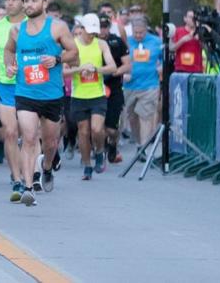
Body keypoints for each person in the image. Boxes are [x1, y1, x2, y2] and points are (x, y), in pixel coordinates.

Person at [4, 0, 77, 206]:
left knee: (50, 141)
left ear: (44, 4)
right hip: (25, 92)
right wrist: (9, 66)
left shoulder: (57, 28)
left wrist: (56, 60)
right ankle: (28, 187)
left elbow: (74, 53)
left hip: (52, 94)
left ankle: (46, 168)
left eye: (34, 0)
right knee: (28, 137)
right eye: (26, 1)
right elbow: (8, 50)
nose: (29, 5)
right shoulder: (17, 30)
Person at [65, 15, 118, 180]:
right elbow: (63, 71)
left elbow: (113, 67)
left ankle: (100, 151)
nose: (92, 35)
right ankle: (87, 165)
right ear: (82, 28)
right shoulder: (72, 45)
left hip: (97, 94)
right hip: (79, 95)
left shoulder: (101, 44)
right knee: (83, 131)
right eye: (89, 32)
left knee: (96, 129)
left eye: (95, 32)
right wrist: (79, 70)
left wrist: (96, 69)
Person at [0, 0, 27, 201]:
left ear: (23, 2)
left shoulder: (32, 27)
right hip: (6, 85)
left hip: (29, 86)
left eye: (14, 0)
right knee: (10, 132)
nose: (9, 3)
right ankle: (17, 178)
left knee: (28, 134)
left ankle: (34, 171)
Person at [119, 15, 163, 156]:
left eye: (141, 33)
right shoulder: (126, 42)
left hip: (150, 85)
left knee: (145, 116)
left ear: (146, 30)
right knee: (132, 117)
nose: (138, 35)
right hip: (130, 86)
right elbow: (119, 61)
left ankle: (143, 147)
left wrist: (161, 68)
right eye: (135, 32)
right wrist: (123, 73)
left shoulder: (156, 42)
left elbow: (164, 59)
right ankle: (139, 143)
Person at [96, 14, 131, 164]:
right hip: (95, 86)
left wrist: (113, 72)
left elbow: (127, 65)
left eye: (105, 26)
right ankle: (100, 150)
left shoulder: (116, 42)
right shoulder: (90, 42)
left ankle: (113, 144)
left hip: (114, 87)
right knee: (98, 125)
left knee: (111, 128)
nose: (102, 29)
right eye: (100, 26)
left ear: (109, 27)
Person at [171, 10, 204, 75]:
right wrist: (183, 40)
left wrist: (200, 39)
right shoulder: (178, 30)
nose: (193, 19)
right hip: (181, 69)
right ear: (185, 18)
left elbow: (205, 49)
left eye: (195, 17)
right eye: (191, 17)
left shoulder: (200, 32)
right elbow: (172, 48)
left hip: (196, 69)